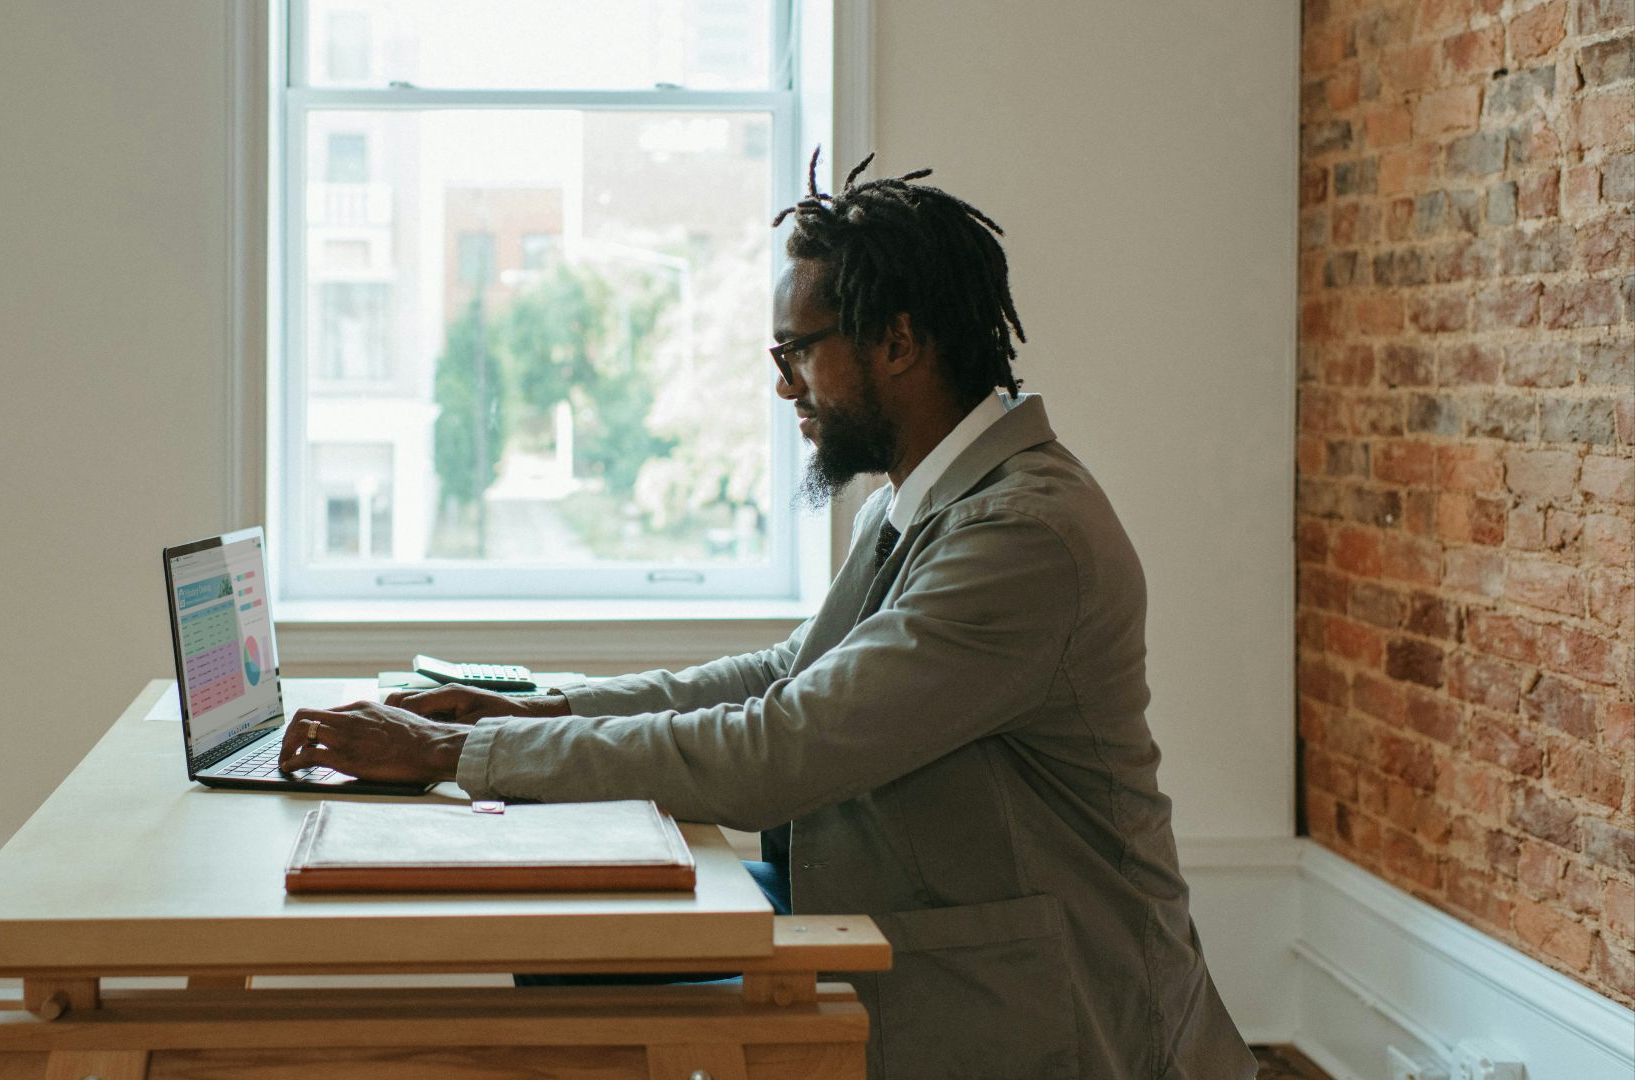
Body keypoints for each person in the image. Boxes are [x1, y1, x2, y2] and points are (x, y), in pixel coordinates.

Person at [280, 151, 1256, 1080]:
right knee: (572, 955)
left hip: (1043, 1008)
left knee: (569, 977)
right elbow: (780, 677)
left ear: (900, 342)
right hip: (887, 919)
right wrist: (528, 715)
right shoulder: (920, 501)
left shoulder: (1025, 540)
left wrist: (452, 759)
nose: (784, 385)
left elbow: (779, 748)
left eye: (796, 351)